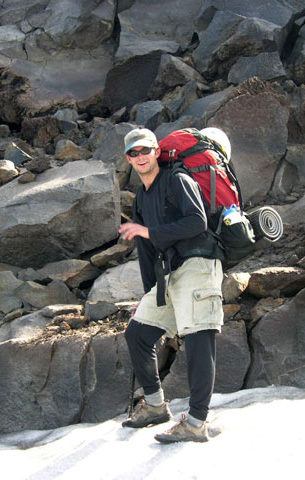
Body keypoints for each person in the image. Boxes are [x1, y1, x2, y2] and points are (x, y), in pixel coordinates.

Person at [118, 128, 225, 443]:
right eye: (133, 153)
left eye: (145, 150)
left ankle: (195, 422)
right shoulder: (141, 199)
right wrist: (152, 292)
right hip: (171, 272)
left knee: (198, 338)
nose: (140, 157)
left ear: (156, 151)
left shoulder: (177, 180)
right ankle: (154, 406)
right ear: (128, 159)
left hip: (200, 262)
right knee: (138, 333)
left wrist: (148, 232)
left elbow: (197, 222)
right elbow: (146, 251)